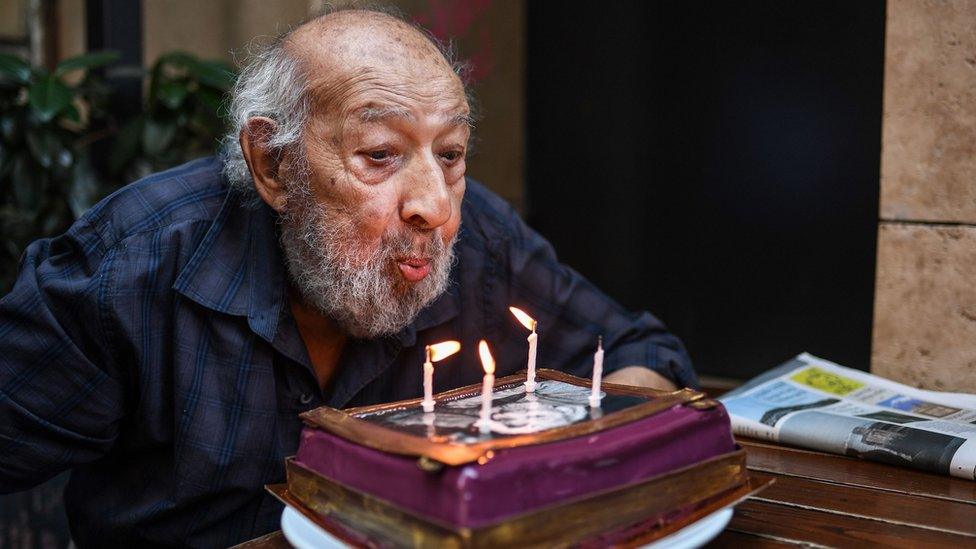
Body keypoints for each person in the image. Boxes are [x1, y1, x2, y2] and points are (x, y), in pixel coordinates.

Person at [0, 8, 695, 546]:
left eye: (450, 152)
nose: (434, 204)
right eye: (381, 152)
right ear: (275, 166)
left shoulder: (479, 234)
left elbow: (643, 357)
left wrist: (557, 461)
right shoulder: (129, 265)